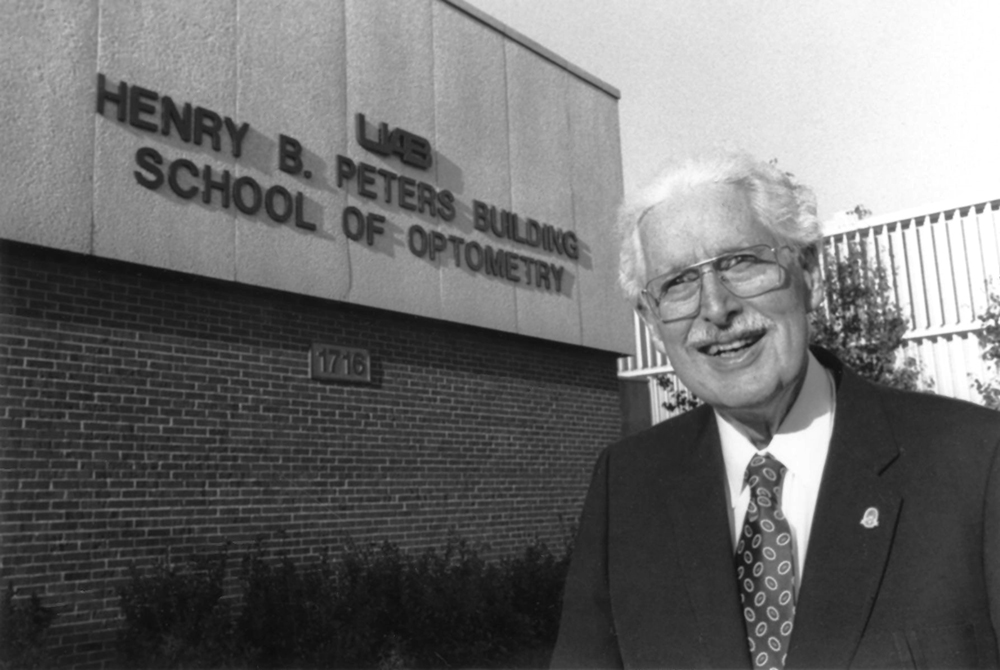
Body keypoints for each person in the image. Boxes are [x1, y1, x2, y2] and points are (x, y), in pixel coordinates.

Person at [551, 152, 1000, 669]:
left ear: (807, 271)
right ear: (651, 322)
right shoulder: (627, 486)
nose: (716, 308)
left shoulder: (974, 462)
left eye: (740, 262)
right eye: (678, 283)